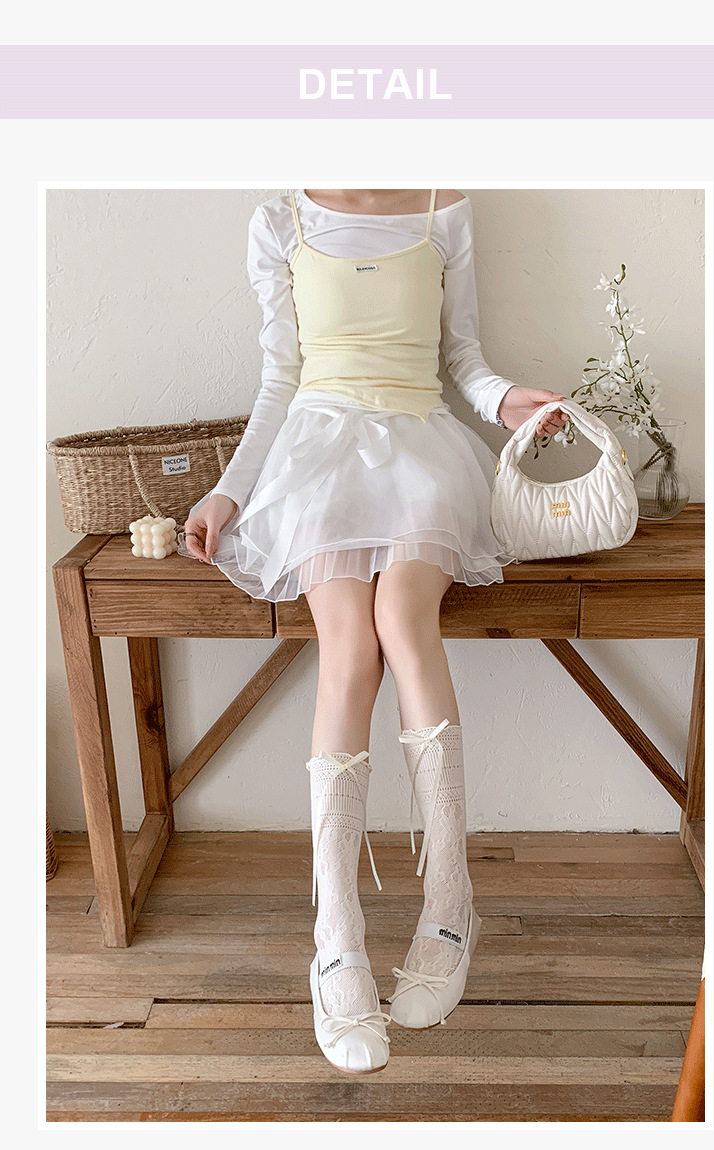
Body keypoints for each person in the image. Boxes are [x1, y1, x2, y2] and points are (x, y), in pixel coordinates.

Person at [178, 188, 566, 1074]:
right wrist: (229, 491)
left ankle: (450, 907)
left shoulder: (443, 208)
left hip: (420, 440)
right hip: (316, 451)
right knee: (349, 647)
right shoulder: (282, 220)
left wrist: (505, 400)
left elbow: (462, 358)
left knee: (401, 617)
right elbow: (279, 378)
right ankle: (337, 937)